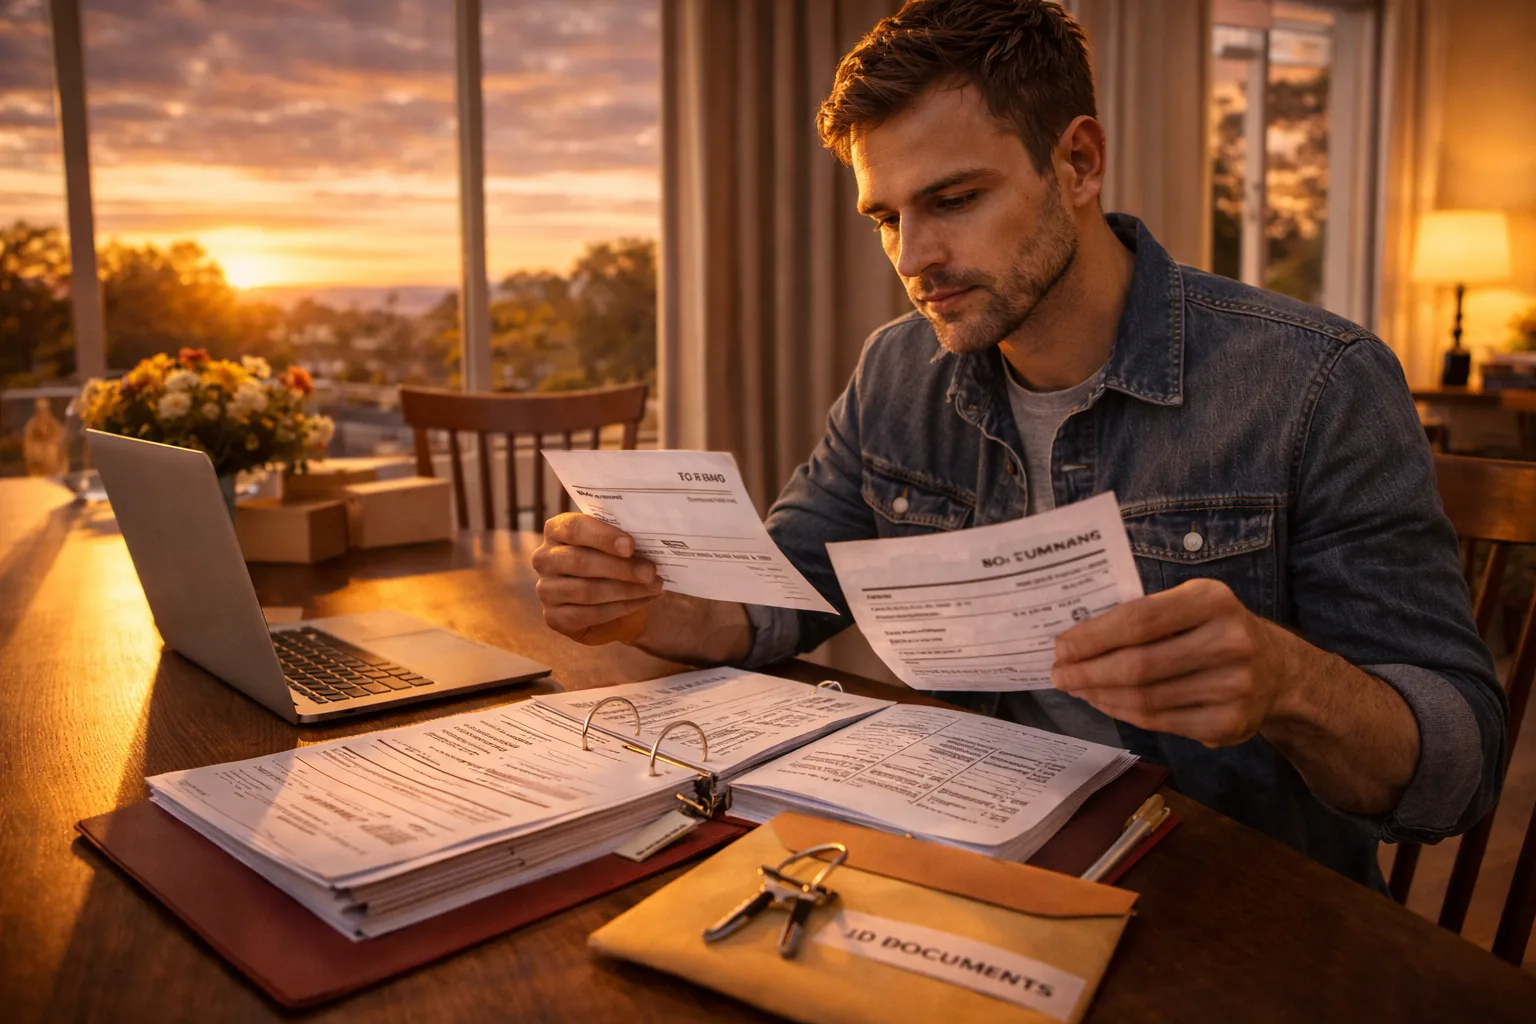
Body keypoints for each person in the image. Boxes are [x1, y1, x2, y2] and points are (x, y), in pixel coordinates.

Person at [531, 0, 1505, 888]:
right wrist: (645, 606)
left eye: (952, 200)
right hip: (973, 872)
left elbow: (1459, 773)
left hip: (1229, 903)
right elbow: (776, 602)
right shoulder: (896, 375)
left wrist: (1288, 681)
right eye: (888, 217)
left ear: (1078, 162)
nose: (913, 258)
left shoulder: (1316, 384)